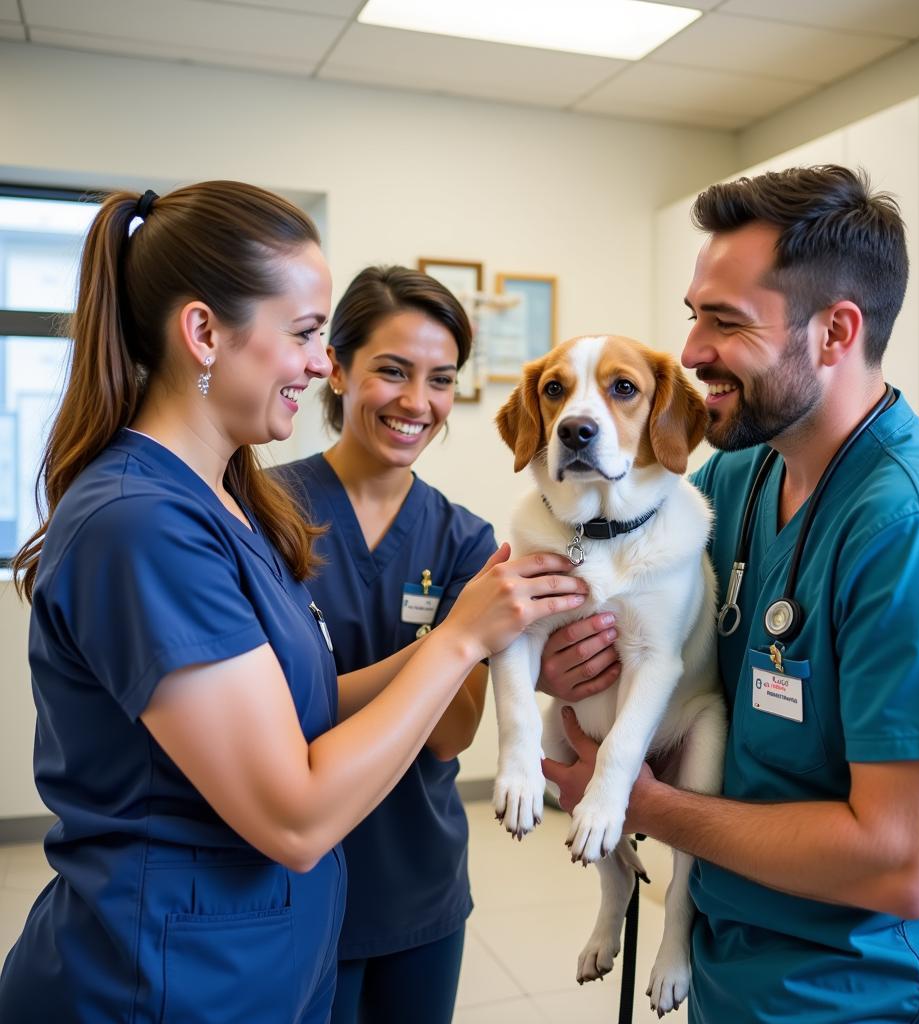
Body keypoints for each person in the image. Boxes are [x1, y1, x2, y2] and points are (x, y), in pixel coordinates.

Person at [0, 182, 588, 1023]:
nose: (321, 365)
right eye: (308, 335)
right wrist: (458, 641)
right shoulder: (144, 525)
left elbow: (297, 708)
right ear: (203, 332)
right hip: (166, 976)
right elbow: (297, 817)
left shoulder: (226, 499)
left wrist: (493, 638)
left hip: (264, 956)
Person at [542, 165, 919, 1023]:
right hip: (732, 959)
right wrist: (563, 662)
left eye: (725, 323)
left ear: (836, 332)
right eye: (695, 316)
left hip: (863, 993)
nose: (690, 352)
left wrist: (641, 804)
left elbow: (900, 865)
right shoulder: (733, 478)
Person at [272, 265, 493, 1024]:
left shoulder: (466, 539)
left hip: (417, 880)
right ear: (335, 366)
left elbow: (452, 735)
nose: (416, 403)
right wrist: (455, 641)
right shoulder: (264, 512)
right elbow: (270, 720)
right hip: (289, 877)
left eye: (440, 379)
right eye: (391, 371)